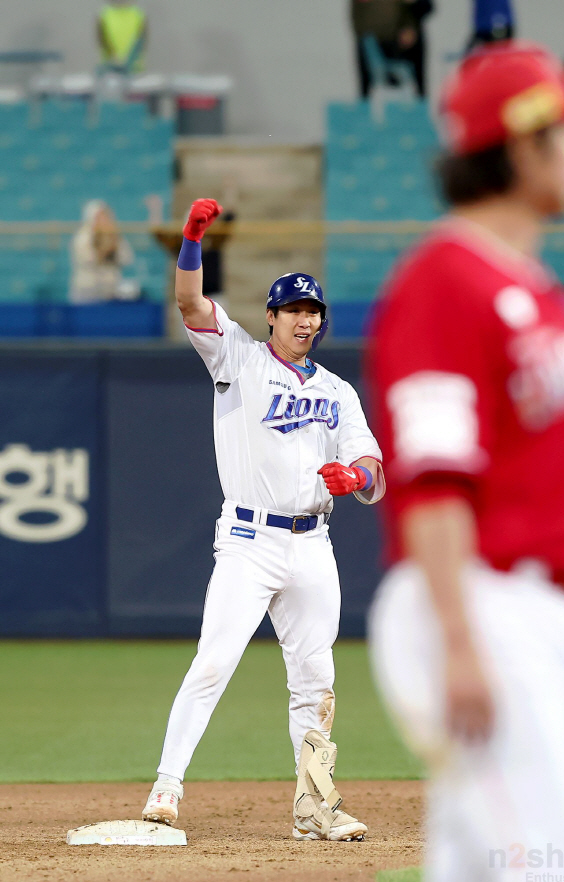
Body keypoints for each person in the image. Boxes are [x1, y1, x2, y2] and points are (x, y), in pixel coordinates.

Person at [366, 41, 564, 881]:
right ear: (521, 146)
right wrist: (459, 640)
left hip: (539, 606)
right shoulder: (442, 282)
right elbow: (433, 483)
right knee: (558, 864)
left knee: (476, 862)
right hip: (474, 601)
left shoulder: (543, 294)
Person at [142, 198, 385, 841]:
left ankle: (314, 808)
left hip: (313, 543)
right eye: (294, 311)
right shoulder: (240, 360)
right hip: (249, 539)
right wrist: (193, 242)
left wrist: (353, 476)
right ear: (271, 316)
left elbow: (372, 466)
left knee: (316, 679)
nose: (305, 321)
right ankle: (167, 786)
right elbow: (192, 306)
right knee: (215, 659)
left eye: (314, 312)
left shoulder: (337, 391)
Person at [351, 0, 433, 98]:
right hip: (371, 42)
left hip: (398, 42)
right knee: (367, 81)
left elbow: (413, 13)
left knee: (410, 78)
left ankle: (418, 102)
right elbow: (357, 16)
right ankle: (365, 105)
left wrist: (409, 28)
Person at [69, 200, 138, 304]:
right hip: (87, 291)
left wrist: (114, 247)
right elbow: (87, 260)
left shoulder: (114, 235)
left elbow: (127, 259)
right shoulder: (83, 237)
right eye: (99, 216)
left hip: (110, 291)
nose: (103, 219)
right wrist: (103, 251)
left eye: (105, 216)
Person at [97, 1, 147, 74]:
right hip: (111, 67)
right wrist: (114, 58)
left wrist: (130, 61)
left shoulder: (138, 14)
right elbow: (103, 41)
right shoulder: (104, 14)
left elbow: (140, 41)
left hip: (133, 69)